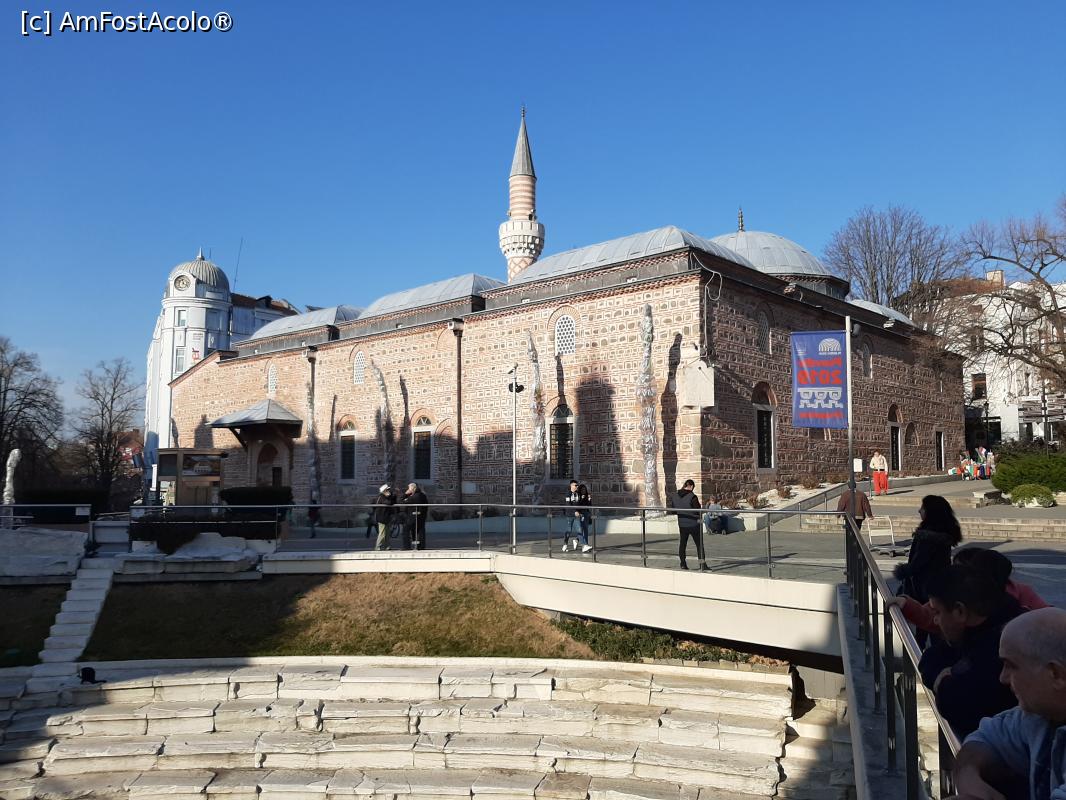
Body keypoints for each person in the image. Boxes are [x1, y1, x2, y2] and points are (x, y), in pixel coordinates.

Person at [950, 608, 1066, 800]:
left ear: (1056, 674)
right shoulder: (1041, 715)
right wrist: (968, 775)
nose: (1003, 678)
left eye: (1011, 665)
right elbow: (986, 738)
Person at [918, 564, 1023, 738]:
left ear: (960, 611)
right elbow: (931, 659)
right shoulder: (992, 623)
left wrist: (943, 684)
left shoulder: (1001, 650)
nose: (935, 620)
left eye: (937, 612)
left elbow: (959, 706)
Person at [892, 548, 1050, 634]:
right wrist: (906, 604)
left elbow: (1048, 618)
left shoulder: (1018, 596)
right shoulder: (1017, 598)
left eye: (958, 569)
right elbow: (929, 614)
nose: (936, 619)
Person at [894, 495, 963, 605]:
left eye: (922, 508)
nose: (919, 511)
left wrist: (903, 571)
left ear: (930, 512)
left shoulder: (928, 538)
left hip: (923, 591)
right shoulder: (943, 534)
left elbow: (918, 563)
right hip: (938, 587)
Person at [671, 479, 708, 571]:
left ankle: (683, 564)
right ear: (691, 486)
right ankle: (702, 564)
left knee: (682, 544)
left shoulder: (675, 496)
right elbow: (697, 510)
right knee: (699, 545)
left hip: (682, 524)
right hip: (693, 524)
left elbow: (673, 511)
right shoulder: (692, 497)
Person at [402, 482, 429, 551]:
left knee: (406, 530)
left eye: (409, 489)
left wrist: (405, 494)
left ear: (412, 489)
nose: (408, 490)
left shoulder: (415, 496)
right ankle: (420, 546)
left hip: (413, 517)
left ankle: (407, 547)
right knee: (419, 531)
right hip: (421, 516)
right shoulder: (422, 495)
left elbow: (401, 501)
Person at [372, 484, 397, 551]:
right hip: (381, 518)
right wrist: (390, 496)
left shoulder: (385, 497)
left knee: (387, 533)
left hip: (386, 517)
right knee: (382, 533)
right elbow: (389, 503)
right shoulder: (381, 497)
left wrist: (392, 496)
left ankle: (387, 546)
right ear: (384, 491)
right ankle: (378, 546)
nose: (389, 491)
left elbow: (393, 501)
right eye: (387, 490)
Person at [563, 479, 582, 552]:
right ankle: (565, 544)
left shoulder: (578, 494)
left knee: (580, 530)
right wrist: (575, 511)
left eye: (577, 485)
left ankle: (576, 541)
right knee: (569, 530)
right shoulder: (568, 494)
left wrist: (580, 512)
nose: (577, 486)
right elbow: (568, 504)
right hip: (570, 515)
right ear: (571, 486)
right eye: (575, 485)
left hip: (577, 515)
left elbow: (579, 504)